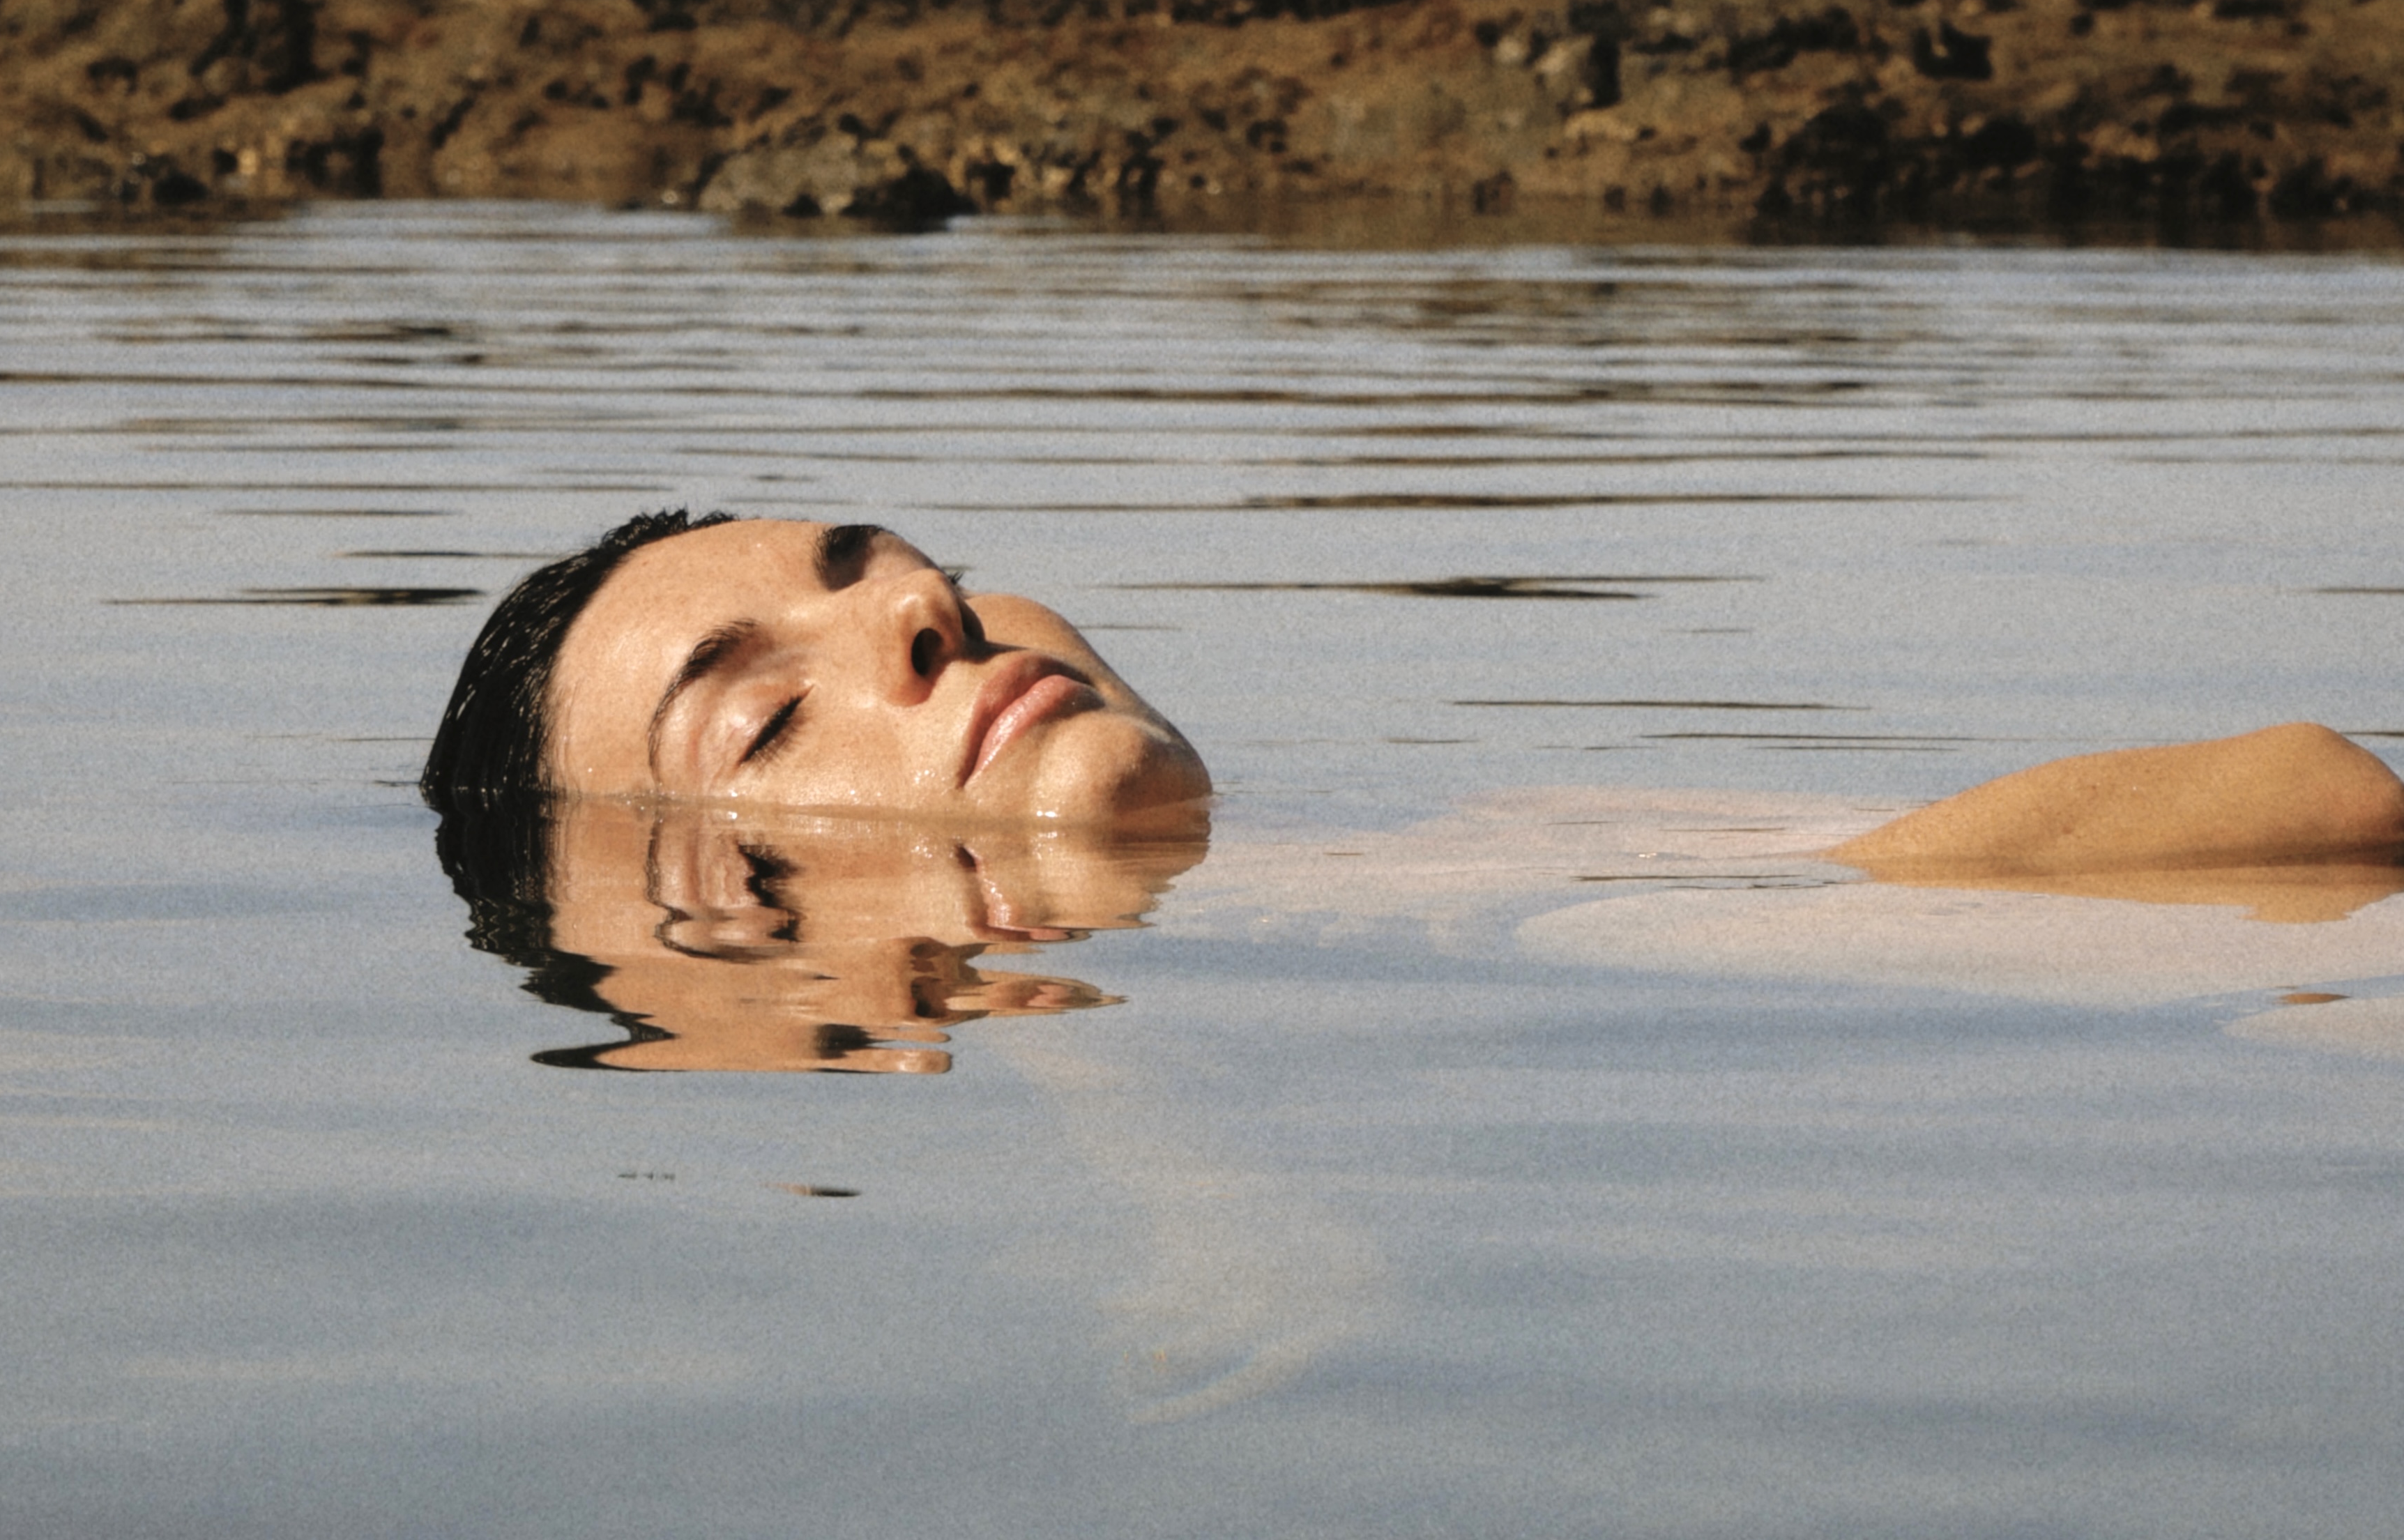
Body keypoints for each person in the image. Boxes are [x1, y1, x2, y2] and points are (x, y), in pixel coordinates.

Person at [424, 506, 2404, 899]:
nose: (925, 614)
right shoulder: (1505, 909)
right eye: (759, 723)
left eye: (884, 564)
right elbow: (2319, 791)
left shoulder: (1462, 848)